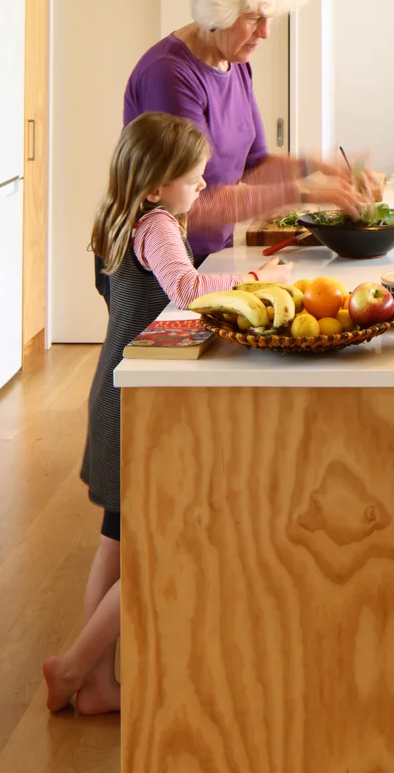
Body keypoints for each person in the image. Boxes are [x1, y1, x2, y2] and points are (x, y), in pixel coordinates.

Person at [44, 111, 300, 716]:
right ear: (156, 186)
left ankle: (97, 683)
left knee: (117, 536)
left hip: (113, 386)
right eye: (194, 180)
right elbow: (186, 289)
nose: (203, 189)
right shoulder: (158, 222)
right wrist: (260, 278)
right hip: (137, 397)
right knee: (159, 538)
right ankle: (75, 665)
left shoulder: (117, 218)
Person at [96, 0, 356, 305]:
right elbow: (193, 202)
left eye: (271, 19)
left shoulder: (235, 65)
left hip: (209, 256)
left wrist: (319, 168)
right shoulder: (170, 74)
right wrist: (306, 194)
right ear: (216, 11)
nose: (265, 33)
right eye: (254, 18)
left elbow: (254, 167)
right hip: (162, 263)